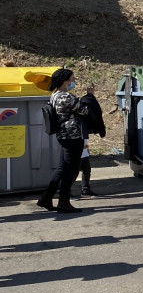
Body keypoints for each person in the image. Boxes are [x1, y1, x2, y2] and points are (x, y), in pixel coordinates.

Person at [37, 69, 91, 213]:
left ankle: (46, 198)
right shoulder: (67, 97)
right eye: (72, 79)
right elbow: (84, 111)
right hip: (72, 136)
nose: (73, 82)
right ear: (64, 81)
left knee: (62, 168)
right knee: (70, 170)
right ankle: (63, 202)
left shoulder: (54, 95)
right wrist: (89, 96)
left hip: (63, 135)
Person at [77, 87, 107, 197]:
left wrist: (89, 94)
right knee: (76, 167)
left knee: (86, 167)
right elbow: (86, 110)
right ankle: (67, 192)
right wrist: (89, 95)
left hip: (81, 138)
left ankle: (85, 189)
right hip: (75, 138)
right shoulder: (69, 101)